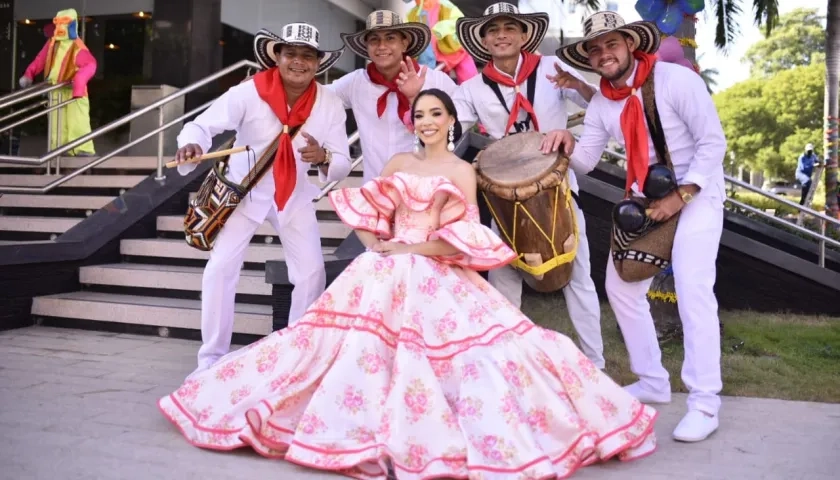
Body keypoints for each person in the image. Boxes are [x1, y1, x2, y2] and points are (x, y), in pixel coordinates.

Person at [159, 88, 658, 479]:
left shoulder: (463, 171)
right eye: (419, 115)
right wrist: (379, 243)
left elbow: (459, 238)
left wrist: (412, 249)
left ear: (449, 122)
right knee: (339, 348)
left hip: (435, 268)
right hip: (384, 266)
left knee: (479, 353)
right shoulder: (398, 164)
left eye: (435, 114)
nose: (426, 123)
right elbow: (361, 207)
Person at [556, 11, 727, 443]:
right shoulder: (601, 102)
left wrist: (681, 195)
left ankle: (705, 401)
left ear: (630, 45)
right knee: (621, 288)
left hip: (697, 193)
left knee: (692, 289)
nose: (602, 53)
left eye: (610, 44)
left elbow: (713, 142)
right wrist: (561, 144)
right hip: (647, 201)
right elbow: (585, 162)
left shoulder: (675, 81)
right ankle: (652, 381)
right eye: (594, 49)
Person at [412, 2, 605, 369]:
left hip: (559, 187)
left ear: (523, 35)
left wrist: (579, 85)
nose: (501, 35)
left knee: (579, 276)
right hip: (504, 196)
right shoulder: (471, 88)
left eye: (509, 28)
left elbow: (603, 106)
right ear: (483, 39)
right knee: (503, 278)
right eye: (493, 30)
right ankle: (507, 363)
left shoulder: (552, 68)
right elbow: (452, 131)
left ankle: (594, 365)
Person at [172, 23, 353, 376]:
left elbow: (343, 161)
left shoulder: (329, 103)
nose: (298, 62)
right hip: (244, 190)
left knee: (312, 272)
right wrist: (191, 144)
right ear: (278, 57)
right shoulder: (249, 92)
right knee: (221, 268)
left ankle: (298, 354)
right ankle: (210, 359)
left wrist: (325, 158)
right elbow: (201, 125)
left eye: (307, 56)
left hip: (294, 195)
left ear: (318, 63)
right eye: (291, 54)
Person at [330, 10, 456, 182]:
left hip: (425, 192)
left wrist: (415, 100)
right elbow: (318, 97)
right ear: (367, 47)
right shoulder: (356, 83)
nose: (382, 46)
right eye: (374, 39)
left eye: (390, 38)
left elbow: (458, 131)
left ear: (404, 44)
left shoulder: (437, 81)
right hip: (376, 192)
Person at [20, 8, 96, 156]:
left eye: (64, 23)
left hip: (75, 91)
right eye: (58, 23)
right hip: (55, 89)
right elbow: (40, 60)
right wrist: (29, 74)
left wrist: (79, 81)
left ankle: (82, 150)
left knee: (77, 120)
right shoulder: (52, 43)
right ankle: (59, 151)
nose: (60, 27)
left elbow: (91, 65)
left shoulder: (77, 46)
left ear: (72, 25)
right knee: (56, 124)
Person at [406, 0, 479, 84]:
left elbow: (458, 20)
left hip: (454, 50)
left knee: (469, 79)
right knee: (438, 85)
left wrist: (442, 28)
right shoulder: (412, 13)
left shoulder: (444, 5)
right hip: (432, 59)